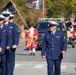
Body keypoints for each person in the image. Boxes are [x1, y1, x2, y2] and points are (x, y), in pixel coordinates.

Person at [2, 10, 19, 75]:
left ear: (9, 17)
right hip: (3, 46)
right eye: (4, 16)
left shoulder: (13, 26)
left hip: (11, 46)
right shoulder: (1, 25)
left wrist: (15, 44)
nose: (5, 18)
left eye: (6, 16)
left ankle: (9, 73)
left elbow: (16, 35)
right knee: (3, 61)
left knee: (10, 61)